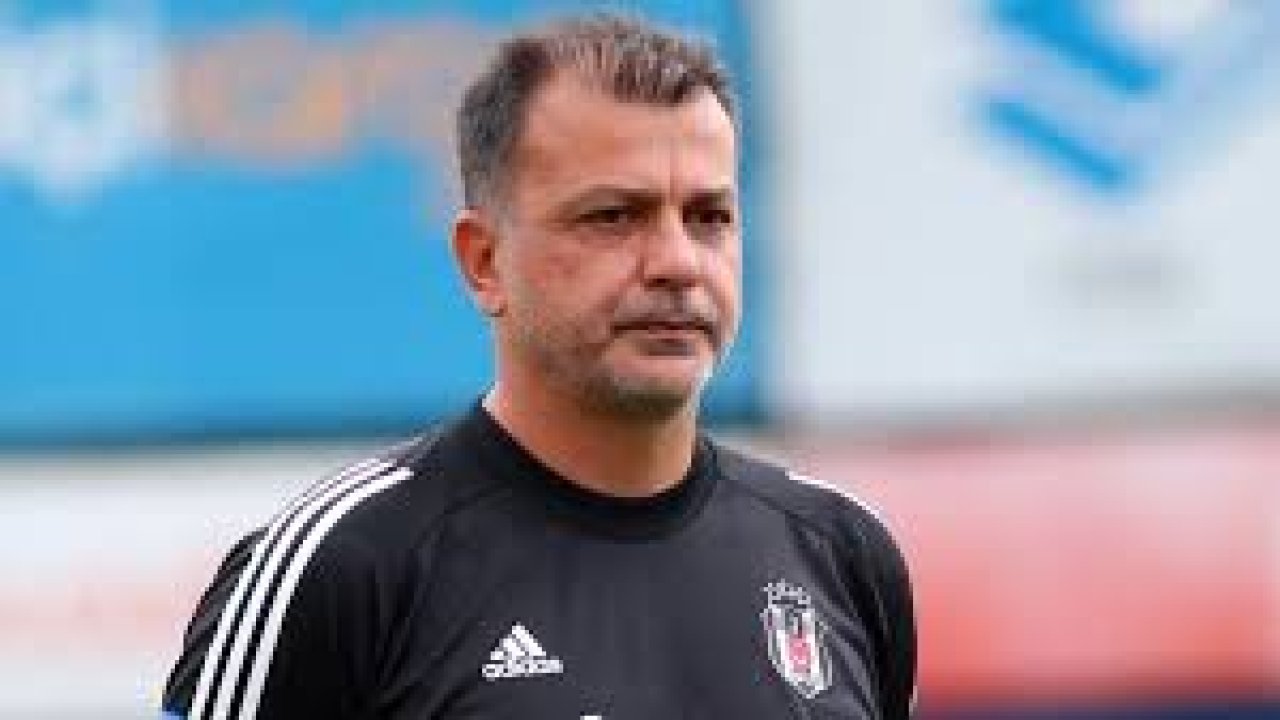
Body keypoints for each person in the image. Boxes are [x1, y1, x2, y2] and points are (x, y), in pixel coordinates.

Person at [162, 14, 916, 720]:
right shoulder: (343, 568)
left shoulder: (842, 555)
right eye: (613, 217)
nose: (678, 263)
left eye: (708, 217)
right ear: (484, 262)